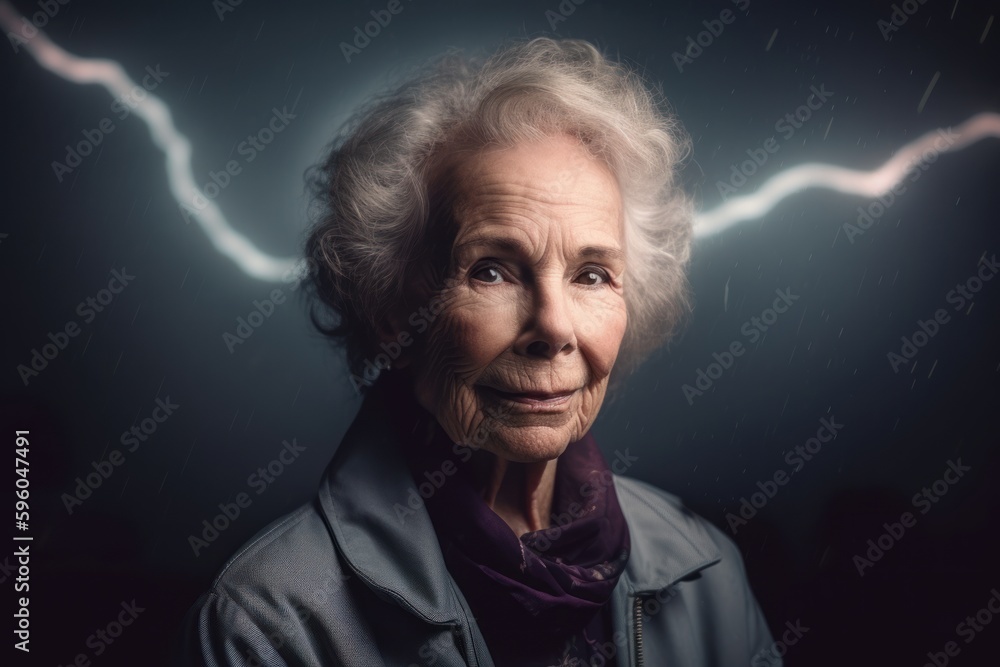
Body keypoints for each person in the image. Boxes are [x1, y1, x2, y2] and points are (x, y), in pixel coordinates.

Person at [179, 37, 778, 667]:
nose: (553, 326)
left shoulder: (705, 574)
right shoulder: (267, 625)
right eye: (492, 271)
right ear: (392, 315)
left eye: (592, 275)